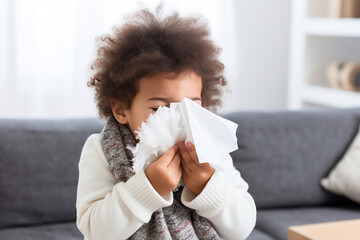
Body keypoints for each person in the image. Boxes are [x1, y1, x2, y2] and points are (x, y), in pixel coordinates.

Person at [76, 6, 256, 240]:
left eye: (191, 106)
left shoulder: (209, 149)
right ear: (121, 109)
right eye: (160, 108)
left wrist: (207, 185)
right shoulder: (100, 150)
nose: (179, 119)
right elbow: (95, 231)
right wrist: (147, 189)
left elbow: (242, 228)